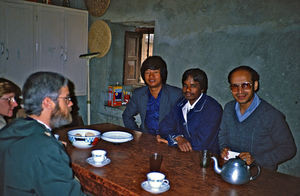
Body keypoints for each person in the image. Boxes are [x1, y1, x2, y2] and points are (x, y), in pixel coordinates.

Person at [0, 72, 85, 195]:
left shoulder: (10, 129)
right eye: (66, 98)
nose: (71, 103)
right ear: (47, 102)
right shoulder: (47, 148)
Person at [219, 65, 296, 171]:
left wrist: (256, 159)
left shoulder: (271, 115)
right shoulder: (228, 108)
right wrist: (224, 149)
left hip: (261, 175)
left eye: (245, 85)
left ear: (255, 85)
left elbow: (288, 149)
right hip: (233, 169)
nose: (240, 91)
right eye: (235, 86)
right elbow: (222, 135)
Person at [158, 68, 223, 153]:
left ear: (202, 88)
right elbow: (163, 126)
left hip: (206, 158)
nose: (187, 90)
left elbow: (200, 144)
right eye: (185, 85)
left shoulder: (213, 108)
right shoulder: (181, 103)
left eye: (193, 86)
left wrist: (170, 140)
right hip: (182, 155)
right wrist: (178, 138)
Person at [122, 56, 182, 136]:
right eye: (147, 72)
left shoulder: (176, 94)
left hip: (168, 141)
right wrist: (137, 134)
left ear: (162, 74)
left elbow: (183, 122)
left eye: (155, 72)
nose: (151, 76)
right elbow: (127, 116)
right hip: (146, 140)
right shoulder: (139, 94)